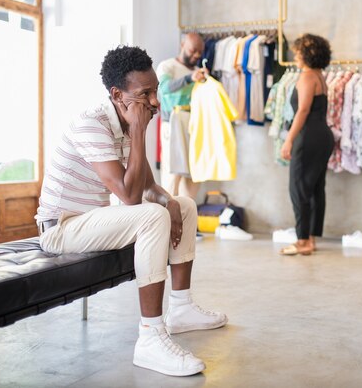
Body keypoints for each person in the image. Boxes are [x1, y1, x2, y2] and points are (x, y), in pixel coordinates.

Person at [35, 45, 227, 377]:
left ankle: (180, 309)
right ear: (117, 94)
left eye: (155, 90)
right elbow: (129, 196)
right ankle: (150, 338)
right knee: (152, 215)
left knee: (183, 204)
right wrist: (139, 131)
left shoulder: (126, 120)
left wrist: (169, 201)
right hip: (61, 229)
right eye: (145, 94)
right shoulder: (92, 124)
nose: (154, 101)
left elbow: (149, 185)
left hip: (89, 221)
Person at [279, 34, 334, 256]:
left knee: (298, 187)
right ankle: (310, 237)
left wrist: (289, 139)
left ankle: (302, 241)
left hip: (308, 135)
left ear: (307, 54)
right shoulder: (320, 77)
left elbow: (302, 110)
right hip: (323, 135)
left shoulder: (306, 77)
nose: (295, 55)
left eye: (299, 51)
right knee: (315, 189)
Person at [157, 32, 208, 200]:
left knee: (193, 176)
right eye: (193, 50)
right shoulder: (167, 66)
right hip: (172, 124)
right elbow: (164, 88)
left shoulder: (198, 73)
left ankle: (188, 220)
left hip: (193, 125)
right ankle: (167, 220)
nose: (196, 56)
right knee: (172, 175)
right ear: (182, 45)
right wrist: (189, 78)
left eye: (199, 53)